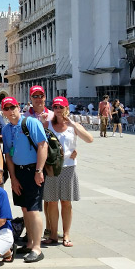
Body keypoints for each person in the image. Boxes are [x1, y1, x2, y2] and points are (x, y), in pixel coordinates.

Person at [1, 97, 47, 263]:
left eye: (13, 107)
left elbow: (43, 145)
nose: (11, 111)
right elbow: (8, 155)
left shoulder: (31, 123)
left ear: (18, 107)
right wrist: (13, 178)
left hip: (33, 170)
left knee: (33, 209)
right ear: (3, 112)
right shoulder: (6, 130)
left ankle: (37, 247)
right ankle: (29, 243)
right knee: (25, 209)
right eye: (6, 108)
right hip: (18, 173)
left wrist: (39, 170)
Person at [44, 96, 93, 248]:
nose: (58, 110)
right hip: (52, 167)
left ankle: (66, 234)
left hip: (68, 167)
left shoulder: (73, 126)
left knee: (66, 202)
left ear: (67, 108)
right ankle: (53, 234)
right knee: (52, 202)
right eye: (55, 107)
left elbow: (89, 139)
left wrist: (73, 124)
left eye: (61, 107)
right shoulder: (48, 124)